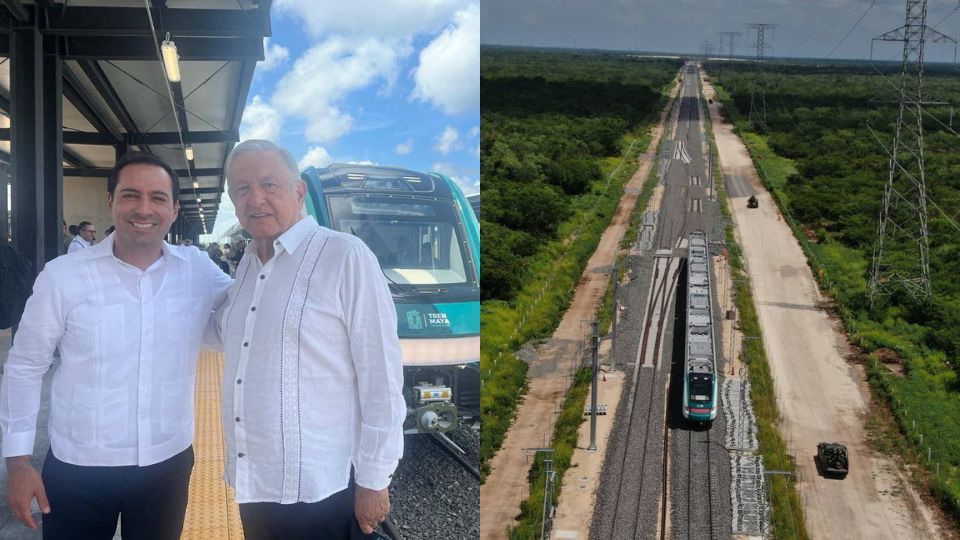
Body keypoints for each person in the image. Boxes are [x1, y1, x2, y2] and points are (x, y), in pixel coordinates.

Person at [0, 153, 234, 539]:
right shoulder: (63, 276)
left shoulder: (198, 270)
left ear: (175, 210)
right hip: (79, 466)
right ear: (111, 201)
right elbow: (26, 365)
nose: (144, 208)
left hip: (167, 462)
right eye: (131, 195)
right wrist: (19, 463)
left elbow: (242, 320)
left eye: (158, 198)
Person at [219, 140, 404, 539]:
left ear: (298, 192)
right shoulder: (247, 267)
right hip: (254, 481)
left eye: (269, 184)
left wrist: (374, 479)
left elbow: (382, 375)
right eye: (242, 189)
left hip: (321, 487)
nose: (256, 199)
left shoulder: (345, 256)